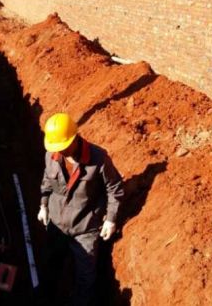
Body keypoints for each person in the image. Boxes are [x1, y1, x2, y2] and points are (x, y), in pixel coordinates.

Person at [37, 112, 124, 306]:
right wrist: (43, 204)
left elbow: (115, 188)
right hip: (57, 223)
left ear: (75, 137)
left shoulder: (99, 159)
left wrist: (111, 219)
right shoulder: (51, 155)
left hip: (85, 227)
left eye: (64, 147)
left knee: (86, 277)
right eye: (57, 148)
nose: (60, 152)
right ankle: (46, 296)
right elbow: (46, 181)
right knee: (51, 262)